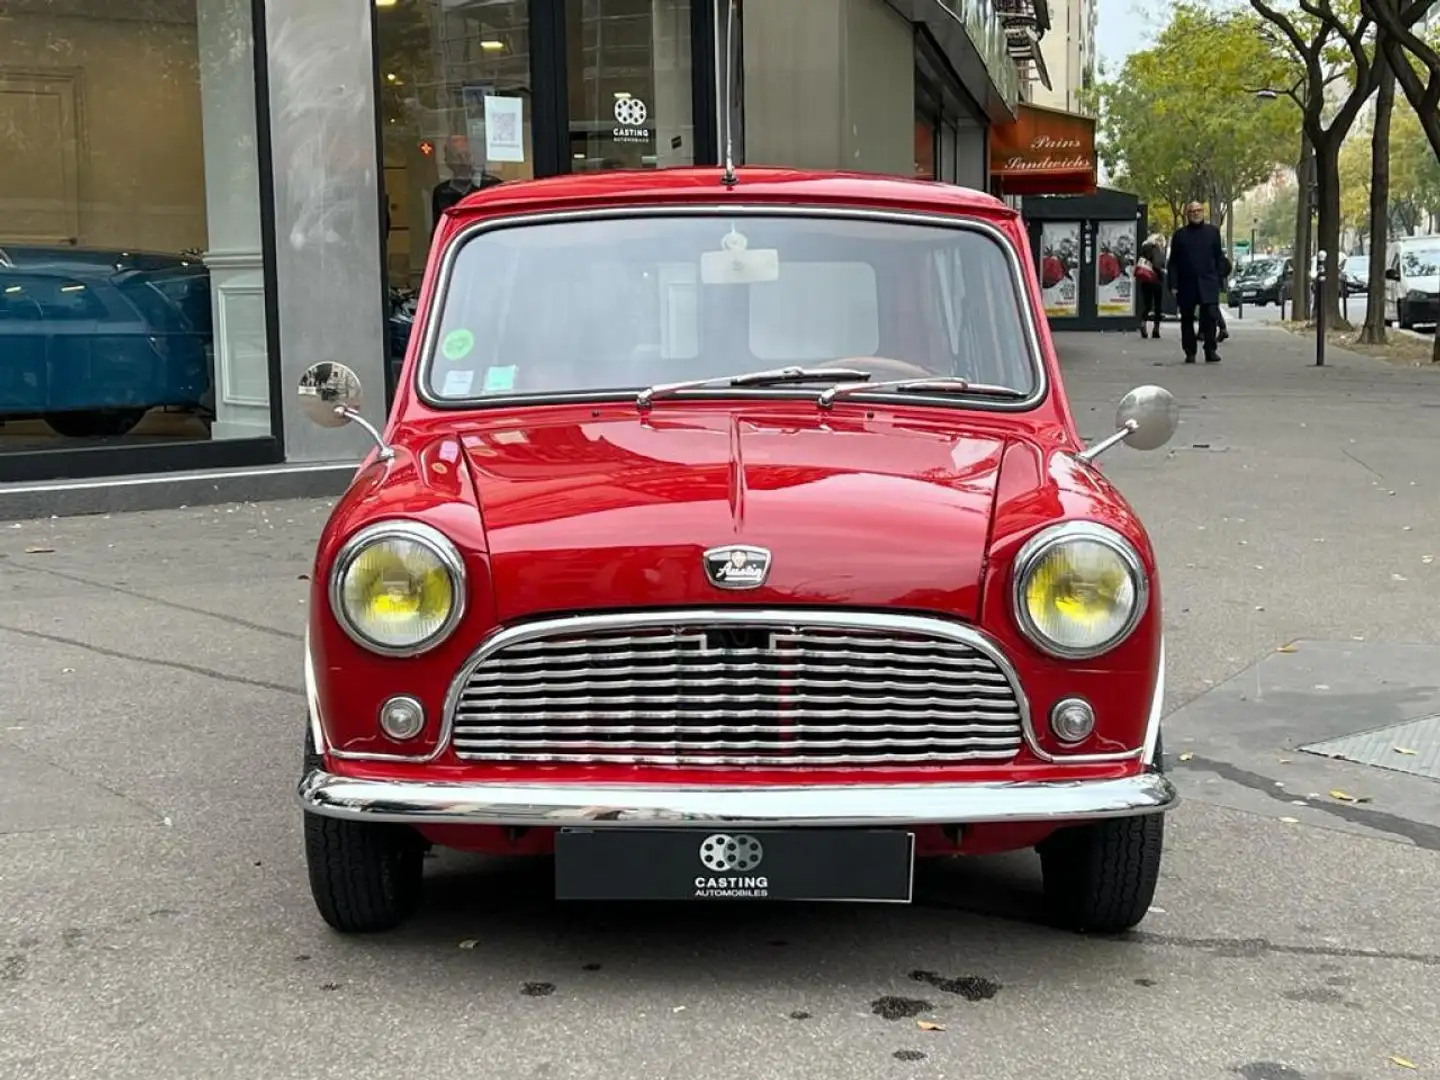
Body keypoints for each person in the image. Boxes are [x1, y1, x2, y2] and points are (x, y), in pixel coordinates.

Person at [1166, 202, 1231, 363]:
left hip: (1208, 282)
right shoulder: (1180, 235)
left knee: (1209, 318)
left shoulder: (1212, 233)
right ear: (1187, 215)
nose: (1196, 213)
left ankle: (1210, 350)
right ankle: (1190, 352)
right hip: (1186, 283)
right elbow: (1173, 262)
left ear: (1203, 213)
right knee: (1187, 319)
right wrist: (1173, 284)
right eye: (1192, 211)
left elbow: (1219, 258)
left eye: (1198, 211)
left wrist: (1220, 276)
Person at [1136, 231, 1167, 339]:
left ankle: (1143, 323)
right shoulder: (1156, 249)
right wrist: (1162, 270)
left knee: (1147, 304)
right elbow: (1158, 264)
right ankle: (1156, 329)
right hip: (1156, 280)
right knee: (1157, 306)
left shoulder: (1143, 248)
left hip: (1145, 280)